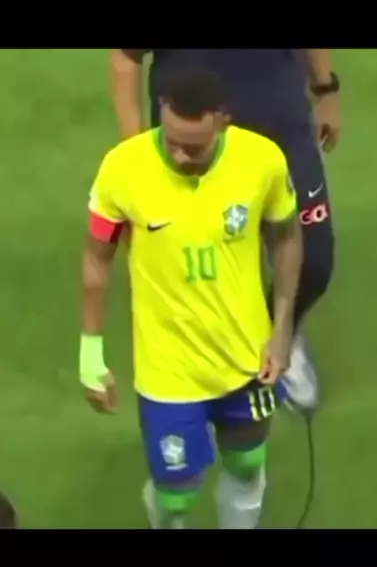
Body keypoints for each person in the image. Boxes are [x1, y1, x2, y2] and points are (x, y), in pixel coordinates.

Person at [81, 66, 303, 529]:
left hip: (246, 358)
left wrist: (282, 331)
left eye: (194, 147)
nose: (180, 156)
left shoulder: (262, 161)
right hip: (169, 372)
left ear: (222, 120)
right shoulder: (123, 169)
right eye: (173, 142)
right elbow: (97, 260)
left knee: (247, 465)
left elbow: (286, 239)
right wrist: (90, 352)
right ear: (161, 110)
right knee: (176, 498)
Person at [109, 48, 340, 413]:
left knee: (314, 260)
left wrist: (325, 90)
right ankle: (211, 375)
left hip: (283, 126)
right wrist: (137, 157)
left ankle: (281, 335)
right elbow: (126, 58)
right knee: (202, 265)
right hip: (193, 138)